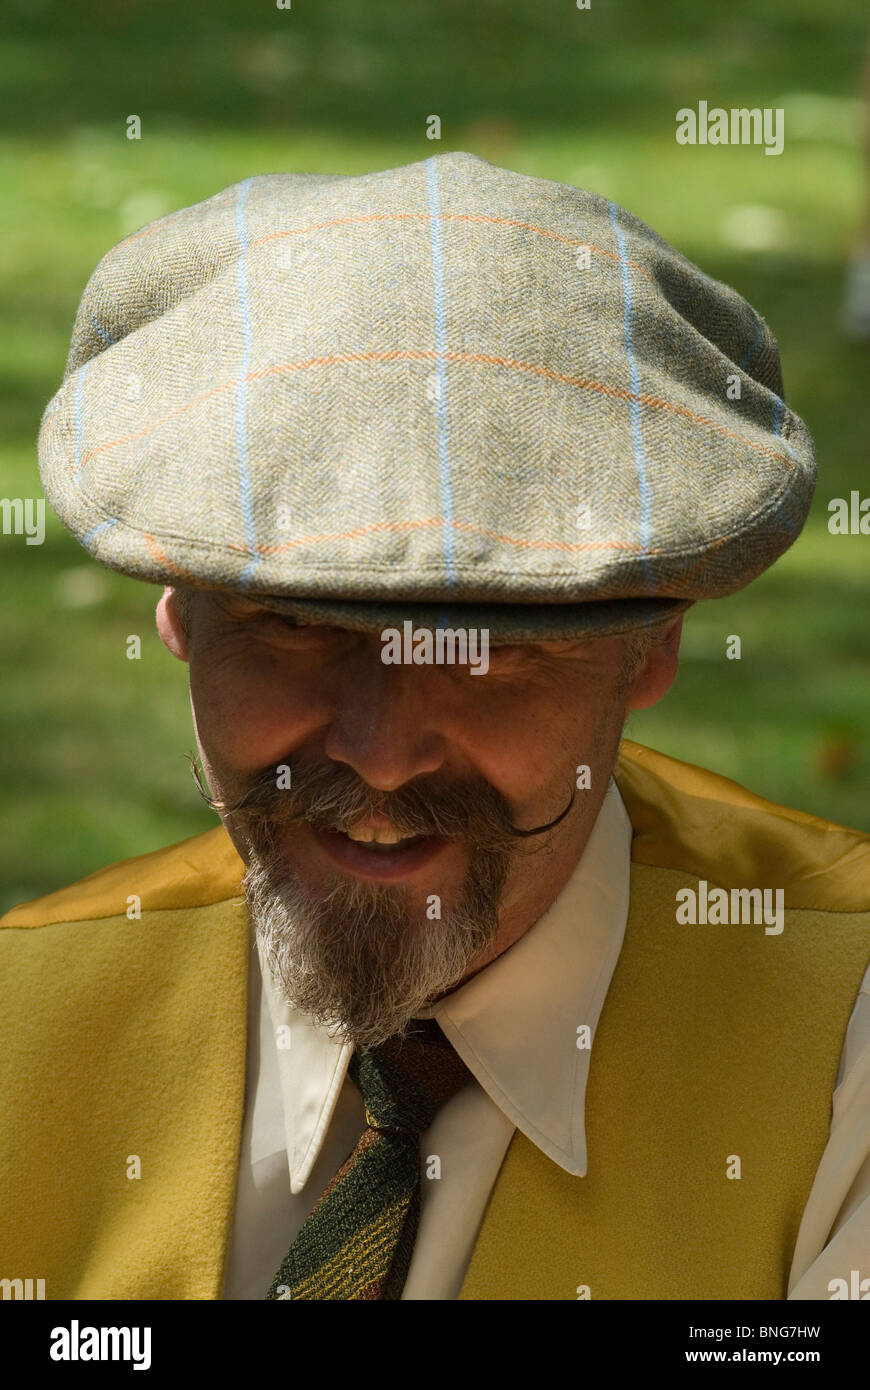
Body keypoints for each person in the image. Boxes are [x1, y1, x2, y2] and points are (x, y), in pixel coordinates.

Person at [2, 152, 868, 1302]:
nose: (381, 746)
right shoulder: (26, 1022)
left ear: (653, 643)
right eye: (293, 629)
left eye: (497, 649)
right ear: (177, 615)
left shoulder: (844, 1041)